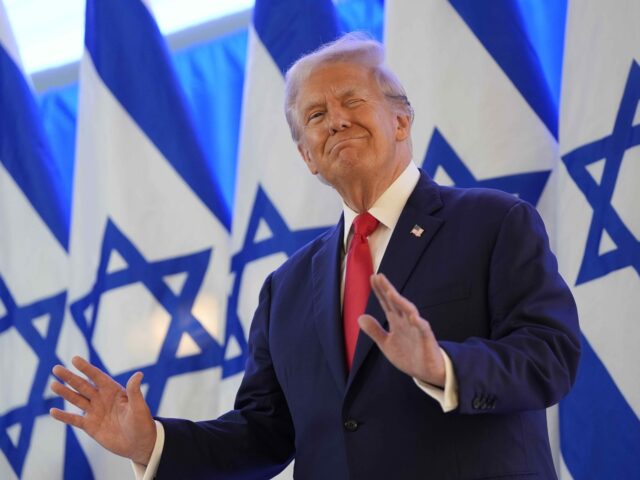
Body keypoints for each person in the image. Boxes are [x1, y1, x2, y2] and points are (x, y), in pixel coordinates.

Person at [50, 33, 580, 479]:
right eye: (317, 114)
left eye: (352, 101)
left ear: (401, 121)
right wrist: (152, 443)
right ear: (307, 155)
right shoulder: (287, 288)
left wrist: (442, 365)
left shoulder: (493, 222)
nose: (336, 121)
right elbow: (264, 432)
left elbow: (550, 355)